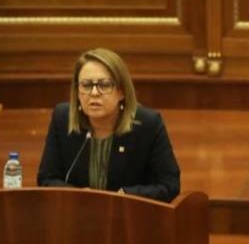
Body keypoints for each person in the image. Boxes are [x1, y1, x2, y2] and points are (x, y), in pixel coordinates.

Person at [37, 48, 180, 203]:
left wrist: (127, 196)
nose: (94, 93)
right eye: (86, 85)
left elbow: (170, 186)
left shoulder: (148, 124)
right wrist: (76, 195)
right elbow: (46, 179)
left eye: (104, 85)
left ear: (121, 91)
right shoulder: (62, 118)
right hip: (77, 213)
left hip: (129, 215)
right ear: (77, 91)